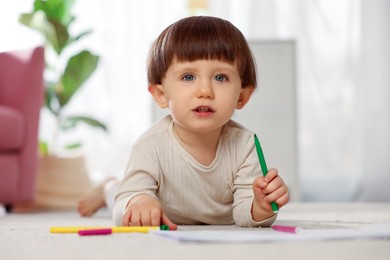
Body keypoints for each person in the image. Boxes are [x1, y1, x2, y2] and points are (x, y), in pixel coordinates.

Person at [78, 16, 289, 229]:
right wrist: (139, 202)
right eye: (188, 77)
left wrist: (260, 207)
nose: (205, 91)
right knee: (118, 192)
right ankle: (108, 186)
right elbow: (127, 199)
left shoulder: (244, 145)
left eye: (220, 78)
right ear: (161, 94)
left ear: (242, 96)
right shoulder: (150, 145)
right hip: (158, 204)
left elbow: (244, 213)